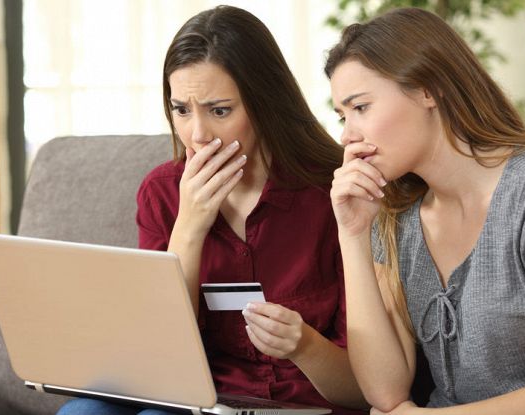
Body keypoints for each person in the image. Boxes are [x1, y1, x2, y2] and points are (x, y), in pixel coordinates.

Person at [58, 5, 367, 415]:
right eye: (181, 110)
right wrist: (189, 227)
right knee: (84, 412)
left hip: (300, 404)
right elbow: (154, 355)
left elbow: (363, 389)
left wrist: (304, 346)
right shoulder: (162, 193)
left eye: (219, 110)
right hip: (199, 400)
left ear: (264, 103)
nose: (197, 135)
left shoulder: (334, 192)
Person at [326, 7, 525, 414]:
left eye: (360, 108)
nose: (348, 136)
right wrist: (351, 236)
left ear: (427, 89)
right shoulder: (395, 215)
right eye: (342, 116)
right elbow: (384, 392)